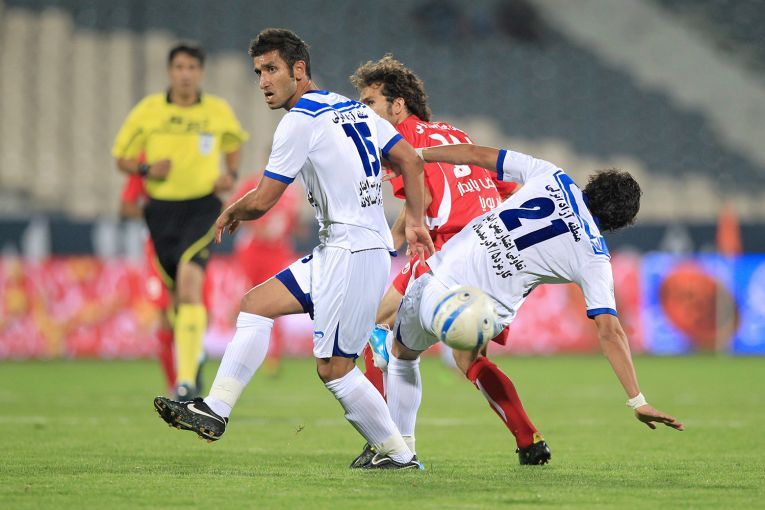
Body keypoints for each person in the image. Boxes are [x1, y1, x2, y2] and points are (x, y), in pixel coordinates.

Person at [152, 29, 434, 470]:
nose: (263, 81)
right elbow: (412, 161)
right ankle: (215, 410)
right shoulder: (353, 108)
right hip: (340, 248)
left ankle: (400, 455)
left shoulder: (299, 121)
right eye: (258, 72)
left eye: (272, 69)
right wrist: (413, 220)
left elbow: (263, 200)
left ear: (299, 70)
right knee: (255, 305)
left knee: (334, 370)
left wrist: (233, 210)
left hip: (352, 254)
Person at [383, 143, 684, 465]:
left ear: (592, 185)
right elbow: (610, 332)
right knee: (469, 359)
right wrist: (637, 399)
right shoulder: (594, 255)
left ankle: (400, 451)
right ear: (618, 223)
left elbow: (476, 155)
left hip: (445, 279)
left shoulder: (552, 175)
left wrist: (419, 156)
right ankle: (526, 438)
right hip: (487, 313)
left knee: (402, 354)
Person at [349, 55, 548, 466]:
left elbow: (419, 193)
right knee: (467, 358)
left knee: (371, 322)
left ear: (398, 105)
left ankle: (385, 442)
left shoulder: (399, 140)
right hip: (494, 252)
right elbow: (506, 189)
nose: (363, 111)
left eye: (370, 102)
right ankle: (529, 439)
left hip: (449, 252)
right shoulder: (454, 133)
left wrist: (392, 242)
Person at [112, 44, 248, 400]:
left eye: (191, 67)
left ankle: (185, 382)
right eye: (179, 67)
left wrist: (231, 174)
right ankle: (191, 357)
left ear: (200, 72)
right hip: (160, 212)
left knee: (189, 285)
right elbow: (121, 158)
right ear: (169, 71)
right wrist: (146, 168)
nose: (185, 74)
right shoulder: (149, 111)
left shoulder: (216, 111)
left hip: (203, 208)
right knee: (173, 304)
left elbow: (233, 142)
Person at [228, 170, 302, 374]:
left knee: (275, 303)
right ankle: (237, 349)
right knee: (247, 300)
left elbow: (292, 221)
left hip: (277, 252)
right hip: (252, 251)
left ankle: (273, 358)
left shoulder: (292, 190)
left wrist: (291, 228)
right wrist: (254, 226)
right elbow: (234, 209)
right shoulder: (253, 183)